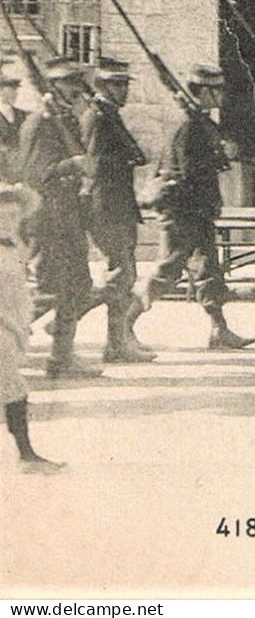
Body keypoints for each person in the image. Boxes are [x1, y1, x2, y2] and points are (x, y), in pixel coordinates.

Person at [129, 65, 255, 350]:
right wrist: (220, 158)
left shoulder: (198, 121)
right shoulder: (188, 124)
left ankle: (219, 331)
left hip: (196, 210)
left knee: (208, 271)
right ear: (206, 91)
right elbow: (187, 171)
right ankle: (122, 327)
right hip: (183, 210)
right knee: (167, 271)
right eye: (218, 89)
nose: (222, 95)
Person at [20, 57, 97, 378]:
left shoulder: (64, 121)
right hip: (49, 218)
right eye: (69, 84)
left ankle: (61, 357)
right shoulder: (40, 123)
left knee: (77, 287)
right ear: (54, 87)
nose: (76, 90)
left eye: (77, 84)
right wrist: (73, 164)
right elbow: (34, 175)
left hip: (69, 218)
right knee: (49, 290)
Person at [80, 57, 152, 363]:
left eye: (124, 84)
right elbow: (93, 164)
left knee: (123, 275)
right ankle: (73, 315)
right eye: (117, 85)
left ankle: (116, 341)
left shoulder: (109, 114)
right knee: (121, 275)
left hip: (117, 205)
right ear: (102, 86)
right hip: (107, 206)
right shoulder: (98, 117)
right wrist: (128, 159)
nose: (124, 90)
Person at [0, 183, 62, 473]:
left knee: (12, 386)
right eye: (2, 216)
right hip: (3, 326)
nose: (8, 222)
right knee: (13, 386)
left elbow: (18, 293)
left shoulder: (15, 249)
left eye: (14, 216)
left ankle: (26, 454)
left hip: (12, 327)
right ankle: (26, 455)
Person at [0, 59, 28, 183]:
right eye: (11, 90)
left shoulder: (23, 115)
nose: (15, 94)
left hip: (22, 170)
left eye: (16, 90)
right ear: (1, 91)